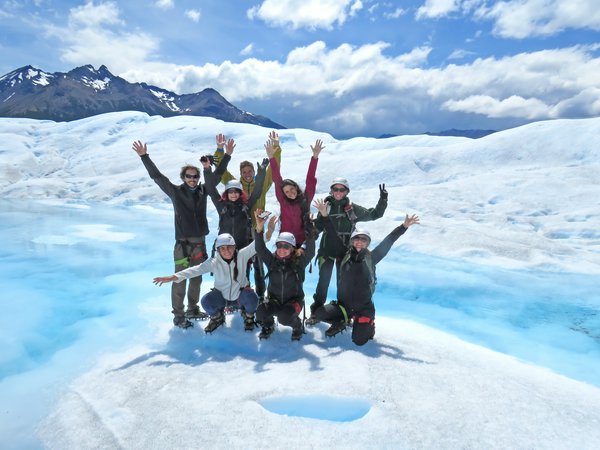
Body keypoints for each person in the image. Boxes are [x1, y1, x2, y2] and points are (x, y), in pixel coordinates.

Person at [132, 139, 231, 329]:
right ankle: (178, 315)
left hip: (199, 242)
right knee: (179, 278)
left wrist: (226, 155)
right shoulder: (175, 192)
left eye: (195, 176)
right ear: (183, 177)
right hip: (182, 244)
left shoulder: (204, 191)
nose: (192, 179)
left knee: (196, 277)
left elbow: (217, 175)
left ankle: (192, 309)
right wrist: (144, 156)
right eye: (189, 176)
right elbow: (157, 176)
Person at [312, 198, 420, 346]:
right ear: (351, 241)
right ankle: (342, 321)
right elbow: (331, 232)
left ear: (367, 243)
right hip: (344, 307)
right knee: (319, 313)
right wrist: (324, 215)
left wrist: (404, 226)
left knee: (359, 340)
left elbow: (388, 241)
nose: (359, 242)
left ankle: (367, 324)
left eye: (363, 240)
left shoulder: (372, 258)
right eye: (356, 239)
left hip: (363, 308)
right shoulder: (344, 255)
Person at [306, 178, 388, 325]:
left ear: (346, 192)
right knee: (323, 283)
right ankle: (316, 312)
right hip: (326, 251)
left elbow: (375, 214)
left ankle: (343, 313)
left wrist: (383, 199)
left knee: (343, 284)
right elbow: (318, 227)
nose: (338, 192)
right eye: (335, 189)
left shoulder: (352, 209)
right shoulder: (326, 207)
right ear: (331, 191)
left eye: (341, 189)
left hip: (345, 253)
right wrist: (310, 232)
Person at [213, 131, 283, 301]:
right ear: (241, 173)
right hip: (240, 231)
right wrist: (220, 150)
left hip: (256, 229)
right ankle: (241, 294)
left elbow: (274, 171)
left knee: (259, 265)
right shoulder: (236, 186)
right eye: (244, 172)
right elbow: (221, 172)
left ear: (253, 171)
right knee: (240, 264)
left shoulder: (262, 183)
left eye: (249, 171)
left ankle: (259, 296)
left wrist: (276, 149)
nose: (247, 174)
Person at [153, 233, 259, 333]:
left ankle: (249, 317)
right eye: (222, 248)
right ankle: (217, 317)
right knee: (206, 301)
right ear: (218, 250)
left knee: (252, 297)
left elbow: (258, 243)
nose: (226, 251)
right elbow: (196, 270)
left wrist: (263, 230)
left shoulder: (242, 255)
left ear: (234, 247)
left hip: (239, 298)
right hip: (222, 298)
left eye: (229, 247)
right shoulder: (214, 262)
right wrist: (174, 277)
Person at [253, 209, 316, 341]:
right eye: (279, 246)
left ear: (293, 249)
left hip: (293, 302)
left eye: (286, 246)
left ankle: (297, 326)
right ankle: (269, 325)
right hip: (274, 301)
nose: (281, 249)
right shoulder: (272, 262)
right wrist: (259, 228)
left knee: (284, 318)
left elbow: (310, 252)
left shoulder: (299, 263)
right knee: (260, 312)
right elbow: (260, 248)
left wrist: (310, 230)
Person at [266, 136, 323, 247]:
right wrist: (271, 157)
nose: (290, 193)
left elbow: (310, 179)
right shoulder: (283, 200)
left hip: (301, 243)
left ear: (296, 187)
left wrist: (315, 157)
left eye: (292, 189)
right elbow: (277, 179)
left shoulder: (306, 199)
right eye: (286, 192)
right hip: (284, 242)